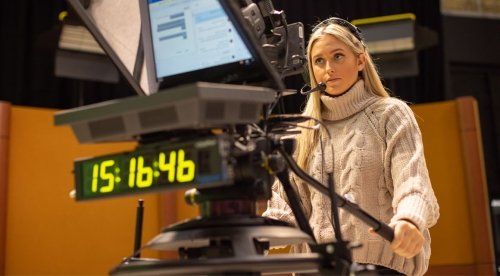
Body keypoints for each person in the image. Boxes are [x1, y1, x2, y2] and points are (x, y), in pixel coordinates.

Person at [263, 17, 440, 275]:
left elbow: (413, 182)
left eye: (337, 56)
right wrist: (252, 241)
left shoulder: (390, 114)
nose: (328, 69)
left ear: (360, 60)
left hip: (378, 268)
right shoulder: (306, 130)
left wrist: (409, 220)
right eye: (319, 61)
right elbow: (284, 207)